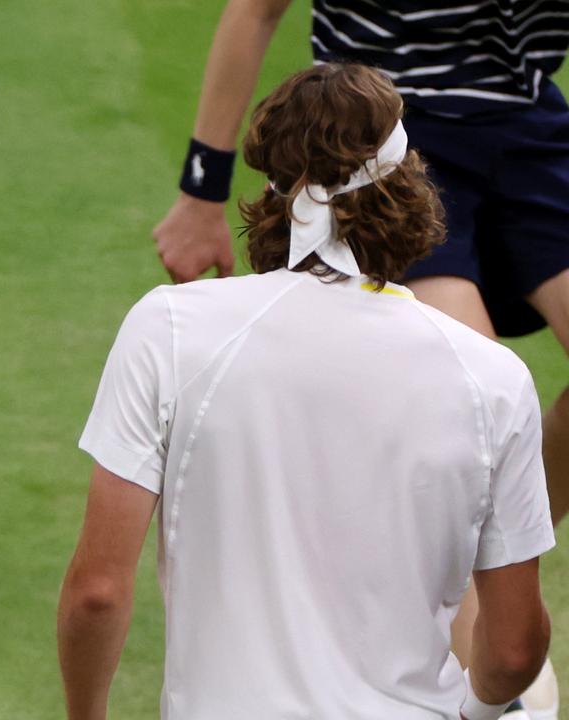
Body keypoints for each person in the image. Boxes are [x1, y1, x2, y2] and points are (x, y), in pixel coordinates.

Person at [61, 63, 554, 719]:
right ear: (408, 186)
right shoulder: (492, 378)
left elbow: (97, 591)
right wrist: (480, 711)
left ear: (272, 194)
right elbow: (516, 650)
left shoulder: (170, 329)